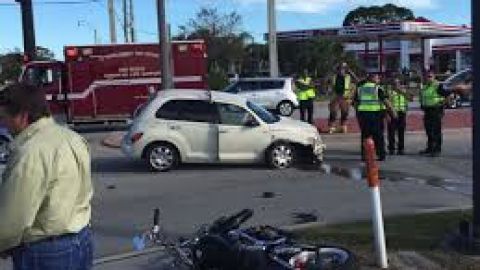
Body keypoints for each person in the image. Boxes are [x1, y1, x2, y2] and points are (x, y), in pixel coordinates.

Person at [0, 83, 93, 270]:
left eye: (4, 118)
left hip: (46, 252)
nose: (3, 124)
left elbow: (14, 218)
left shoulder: (30, 152)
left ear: (23, 116)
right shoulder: (71, 137)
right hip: (82, 240)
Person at [353, 73, 395, 161]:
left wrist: (358, 113)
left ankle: (365, 155)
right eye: (377, 78)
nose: (378, 79)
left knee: (365, 136)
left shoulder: (360, 89)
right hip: (375, 114)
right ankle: (380, 154)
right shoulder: (377, 88)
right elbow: (386, 102)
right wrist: (392, 113)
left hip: (363, 115)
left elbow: (356, 103)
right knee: (378, 136)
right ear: (372, 79)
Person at [419, 71, 450, 157]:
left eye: (430, 76)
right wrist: (422, 104)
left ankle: (437, 149)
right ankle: (430, 148)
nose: (428, 78)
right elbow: (423, 97)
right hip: (427, 110)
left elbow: (448, 95)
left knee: (436, 130)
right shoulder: (425, 86)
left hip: (436, 110)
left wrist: (443, 104)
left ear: (434, 77)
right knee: (428, 130)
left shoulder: (438, 86)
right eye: (427, 77)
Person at [328, 62, 358, 133]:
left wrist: (350, 71)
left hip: (345, 97)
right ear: (338, 70)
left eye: (343, 69)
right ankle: (332, 126)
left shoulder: (348, 76)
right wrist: (333, 70)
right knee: (333, 112)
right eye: (340, 69)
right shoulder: (334, 76)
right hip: (335, 96)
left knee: (345, 112)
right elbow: (326, 80)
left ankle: (343, 126)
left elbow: (357, 80)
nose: (342, 71)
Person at [387, 77, 413, 155]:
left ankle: (401, 149)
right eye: (395, 83)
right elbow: (386, 103)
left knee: (401, 131)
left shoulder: (404, 91)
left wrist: (403, 92)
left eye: (398, 83)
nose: (396, 85)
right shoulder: (389, 92)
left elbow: (410, 98)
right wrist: (387, 114)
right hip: (392, 113)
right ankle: (391, 148)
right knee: (391, 132)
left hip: (402, 112)